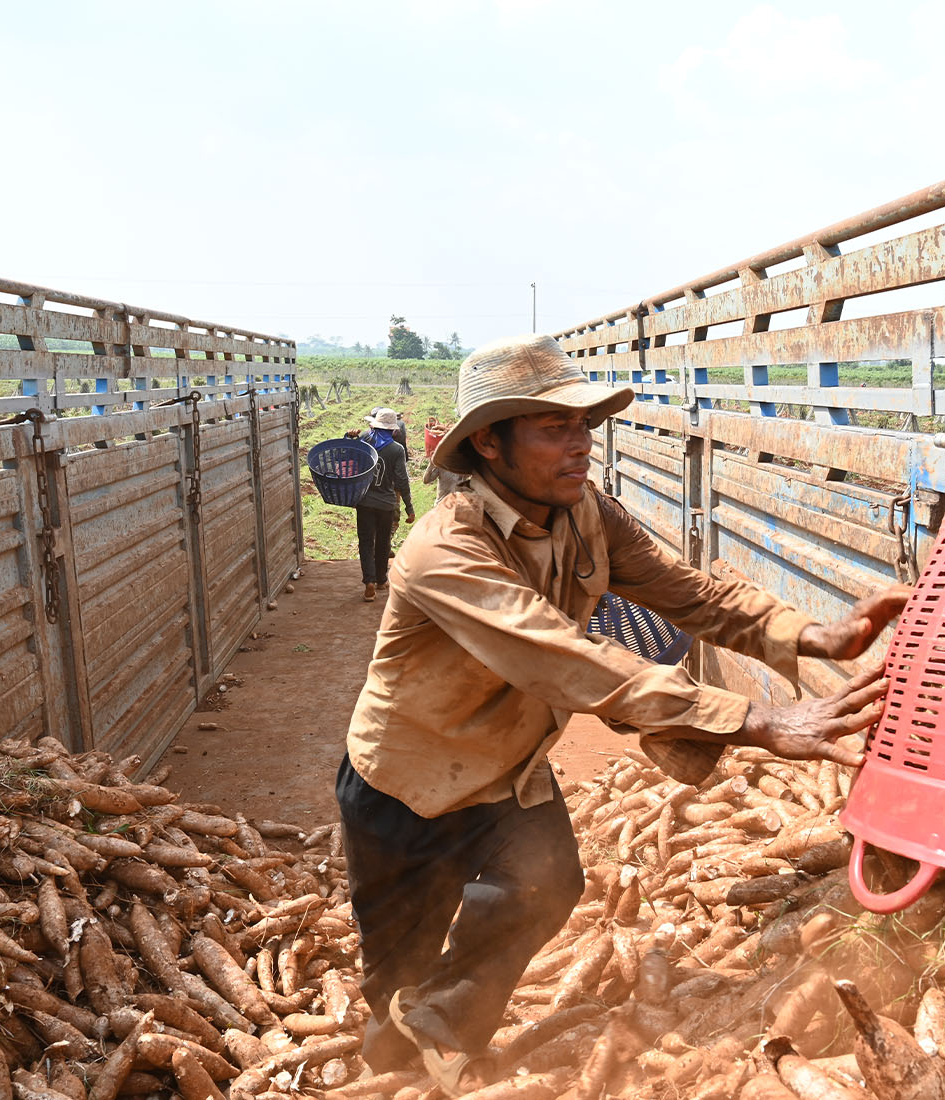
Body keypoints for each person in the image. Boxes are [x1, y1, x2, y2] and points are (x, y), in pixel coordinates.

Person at [337, 334, 910, 1093]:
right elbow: (566, 660)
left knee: (548, 885)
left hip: (509, 769)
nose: (583, 444)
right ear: (490, 444)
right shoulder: (446, 550)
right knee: (396, 976)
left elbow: (689, 593)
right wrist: (761, 722)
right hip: (405, 787)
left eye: (584, 424)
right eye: (555, 429)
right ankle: (392, 1066)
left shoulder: (585, 512)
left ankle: (441, 1036)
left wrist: (812, 634)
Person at [353, 407, 413, 601]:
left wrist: (347, 437)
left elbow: (348, 457)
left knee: (366, 541)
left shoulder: (364, 440)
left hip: (364, 501)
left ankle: (369, 581)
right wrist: (408, 506)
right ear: (392, 430)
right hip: (386, 504)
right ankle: (380, 579)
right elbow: (402, 480)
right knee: (383, 541)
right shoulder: (396, 449)